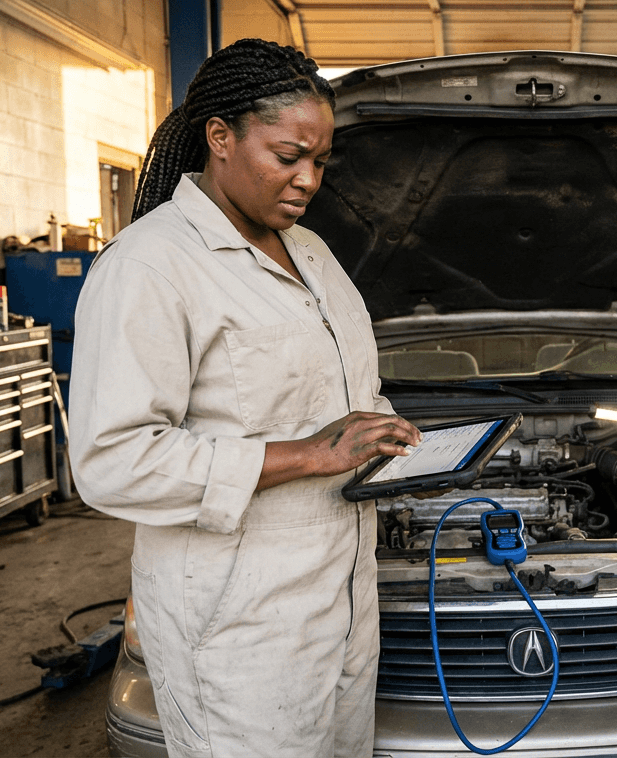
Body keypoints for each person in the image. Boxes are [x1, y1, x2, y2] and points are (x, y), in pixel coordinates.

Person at [69, 39, 421, 757]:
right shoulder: (150, 266)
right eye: (288, 155)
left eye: (320, 162)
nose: (307, 180)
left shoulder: (313, 253)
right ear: (220, 138)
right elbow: (111, 460)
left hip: (342, 603)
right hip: (235, 628)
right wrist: (310, 454)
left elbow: (348, 392)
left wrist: (391, 441)